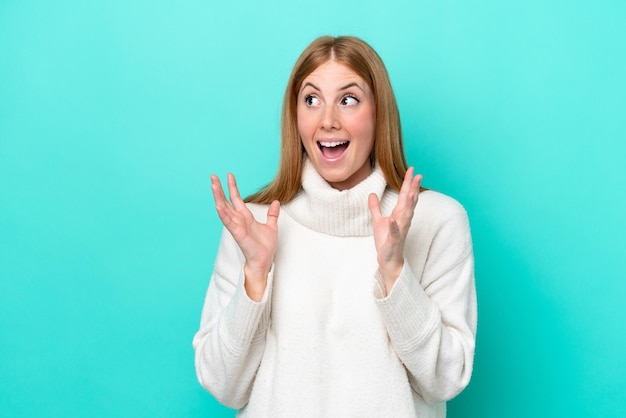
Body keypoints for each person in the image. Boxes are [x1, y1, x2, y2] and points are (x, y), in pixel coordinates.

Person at [192, 35, 477, 418]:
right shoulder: (253, 225)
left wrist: (395, 271)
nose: (328, 120)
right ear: (295, 117)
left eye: (348, 99)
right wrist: (255, 276)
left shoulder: (437, 221)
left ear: (379, 113)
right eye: (311, 100)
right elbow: (223, 385)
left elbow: (446, 380)